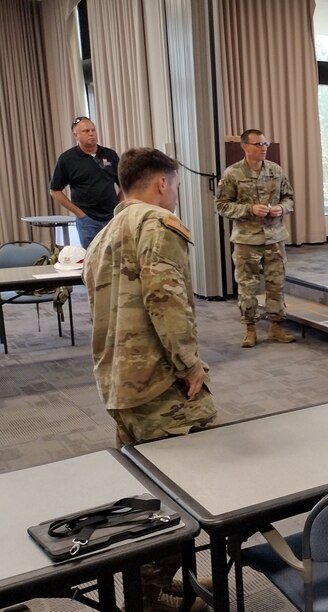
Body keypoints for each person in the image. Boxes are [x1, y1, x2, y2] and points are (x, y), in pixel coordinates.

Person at [83, 147, 217, 612]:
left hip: (121, 382)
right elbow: (167, 300)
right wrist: (190, 365)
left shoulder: (103, 235)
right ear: (162, 183)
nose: (176, 194)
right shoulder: (157, 225)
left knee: (149, 493)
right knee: (199, 489)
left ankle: (155, 584)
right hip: (160, 384)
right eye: (176, 185)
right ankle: (147, 595)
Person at [216, 128, 296, 348]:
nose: (263, 149)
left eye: (265, 144)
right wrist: (249, 209)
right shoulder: (232, 173)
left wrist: (281, 208)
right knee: (247, 286)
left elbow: (289, 198)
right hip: (246, 240)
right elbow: (222, 206)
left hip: (274, 238)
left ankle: (276, 326)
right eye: (258, 145)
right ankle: (250, 328)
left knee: (276, 283)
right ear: (245, 147)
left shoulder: (276, 170)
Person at [49, 117, 122, 248]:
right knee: (92, 260)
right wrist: (79, 213)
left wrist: (119, 207)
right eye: (86, 131)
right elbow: (55, 190)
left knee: (115, 256)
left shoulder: (109, 154)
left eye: (93, 130)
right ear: (76, 135)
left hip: (112, 218)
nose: (91, 133)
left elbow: (124, 184)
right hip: (88, 220)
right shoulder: (67, 159)